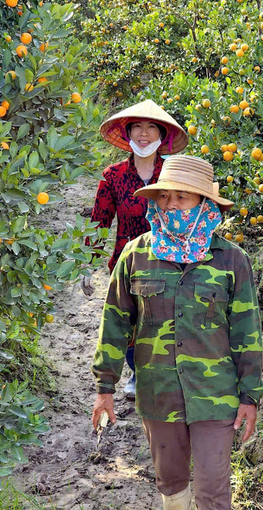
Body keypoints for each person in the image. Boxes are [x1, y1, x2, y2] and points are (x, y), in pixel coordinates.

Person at [90, 155, 263, 510]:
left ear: (204, 202)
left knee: (213, 489)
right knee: (170, 483)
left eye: (182, 197)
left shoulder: (231, 259)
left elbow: (247, 332)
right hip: (159, 393)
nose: (171, 205)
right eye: (164, 197)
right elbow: (115, 323)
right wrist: (104, 388)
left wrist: (250, 396)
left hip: (214, 394)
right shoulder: (135, 255)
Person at [83, 99, 188, 399]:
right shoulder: (113, 176)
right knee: (130, 321)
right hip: (126, 262)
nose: (144, 134)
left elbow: (188, 214)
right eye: (138, 127)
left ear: (161, 135)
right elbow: (99, 222)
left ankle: (162, 371)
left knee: (162, 318)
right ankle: (135, 372)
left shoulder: (173, 174)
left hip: (168, 259)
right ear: (128, 133)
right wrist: (87, 264)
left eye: (151, 128)